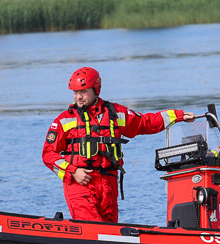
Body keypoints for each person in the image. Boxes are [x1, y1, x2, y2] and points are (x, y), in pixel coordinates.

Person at [43, 66, 195, 222]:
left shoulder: (115, 113)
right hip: (80, 183)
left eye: (83, 92)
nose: (78, 97)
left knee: (109, 231)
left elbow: (145, 122)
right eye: (75, 92)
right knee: (92, 228)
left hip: (109, 183)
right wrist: (73, 171)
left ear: (96, 89)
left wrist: (178, 116)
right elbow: (48, 155)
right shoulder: (64, 120)